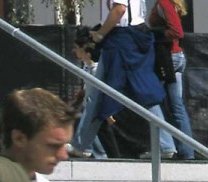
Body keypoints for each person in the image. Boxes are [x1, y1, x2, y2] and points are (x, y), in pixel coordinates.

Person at [71, 0, 167, 160]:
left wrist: (101, 33)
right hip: (126, 37)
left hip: (122, 38)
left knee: (141, 92)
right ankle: (81, 144)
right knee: (100, 93)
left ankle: (165, 144)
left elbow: (119, 9)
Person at [149, 0, 195, 160]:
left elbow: (177, 32)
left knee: (153, 100)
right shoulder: (172, 4)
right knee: (177, 107)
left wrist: (157, 34)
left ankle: (165, 146)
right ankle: (188, 151)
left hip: (167, 57)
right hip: (176, 57)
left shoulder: (164, 3)